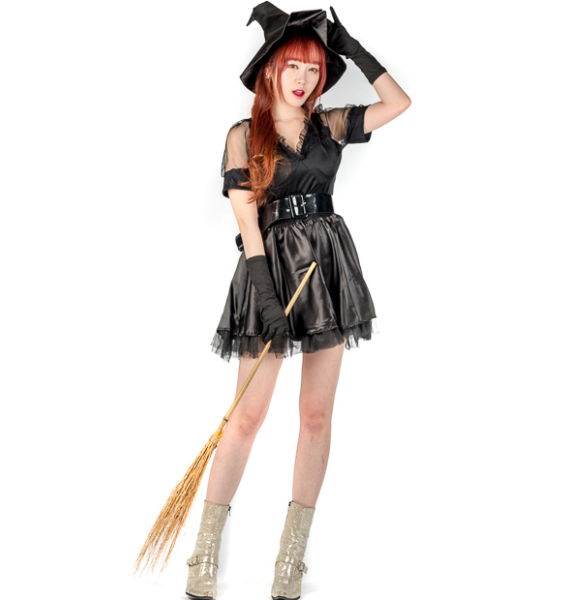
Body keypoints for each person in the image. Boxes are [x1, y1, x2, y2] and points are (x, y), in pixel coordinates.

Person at [186, 3, 411, 599]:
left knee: (315, 417)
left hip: (328, 270)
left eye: (315, 68)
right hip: (270, 273)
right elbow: (247, 225)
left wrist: (352, 48)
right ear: (270, 69)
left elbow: (398, 103)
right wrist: (266, 300)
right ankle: (203, 553)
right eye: (294, 65)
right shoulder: (243, 136)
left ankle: (290, 562)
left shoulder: (330, 125)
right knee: (247, 417)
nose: (304, 79)